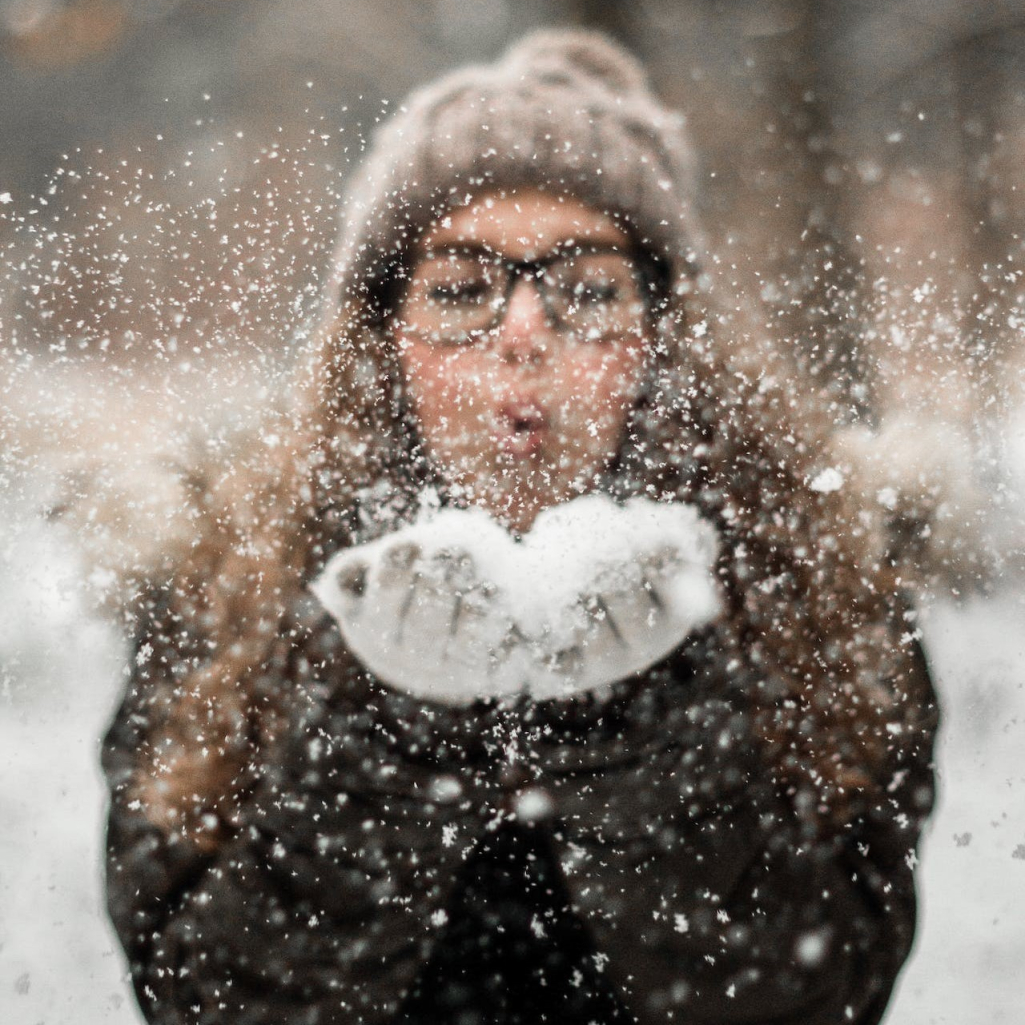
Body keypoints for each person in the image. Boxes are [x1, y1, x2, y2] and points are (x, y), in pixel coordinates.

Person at [100, 30, 938, 1025]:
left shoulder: (815, 581)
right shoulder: (228, 579)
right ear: (380, 338)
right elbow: (199, 994)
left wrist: (634, 731)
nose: (523, 333)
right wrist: (393, 742)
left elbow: (824, 993)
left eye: (586, 289)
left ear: (664, 341)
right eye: (459, 289)